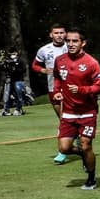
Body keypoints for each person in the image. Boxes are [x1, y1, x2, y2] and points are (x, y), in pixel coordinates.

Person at [51, 28, 100, 191]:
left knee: (86, 144)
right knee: (64, 148)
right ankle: (83, 155)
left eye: (75, 41)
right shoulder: (60, 60)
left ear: (83, 43)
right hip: (68, 112)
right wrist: (57, 92)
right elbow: (57, 79)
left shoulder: (91, 62)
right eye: (68, 41)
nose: (70, 44)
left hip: (87, 112)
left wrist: (81, 90)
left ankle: (91, 178)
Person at [33, 24, 70, 163]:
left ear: (65, 34)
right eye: (56, 33)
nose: (59, 35)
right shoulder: (44, 50)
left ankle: (62, 152)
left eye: (62, 32)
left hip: (70, 89)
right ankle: (74, 141)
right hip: (52, 89)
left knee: (65, 121)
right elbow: (35, 65)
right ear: (51, 35)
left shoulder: (71, 46)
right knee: (63, 120)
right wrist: (42, 70)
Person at [0, 47, 29, 116]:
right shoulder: (8, 62)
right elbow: (4, 70)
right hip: (9, 80)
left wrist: (15, 68)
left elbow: (23, 70)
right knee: (7, 95)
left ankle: (18, 109)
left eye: (14, 53)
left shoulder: (20, 61)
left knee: (19, 95)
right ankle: (6, 110)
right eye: (11, 54)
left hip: (18, 80)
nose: (12, 55)